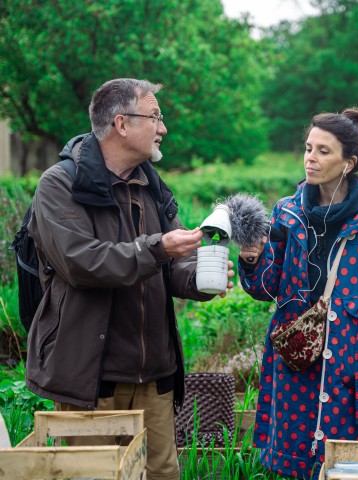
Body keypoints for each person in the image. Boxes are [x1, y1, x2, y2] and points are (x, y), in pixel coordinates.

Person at [25, 78, 234, 480]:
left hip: (154, 379)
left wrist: (199, 281)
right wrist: (158, 248)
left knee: (161, 474)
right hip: (92, 381)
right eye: (155, 116)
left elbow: (171, 267)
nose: (163, 128)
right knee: (94, 475)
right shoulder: (59, 184)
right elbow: (80, 262)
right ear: (122, 124)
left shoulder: (152, 186)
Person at [239, 108, 358, 479]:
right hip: (296, 364)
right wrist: (252, 259)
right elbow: (268, 288)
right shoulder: (286, 213)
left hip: (355, 369)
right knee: (298, 466)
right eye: (307, 148)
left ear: (348, 163)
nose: (310, 158)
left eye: (322, 151)